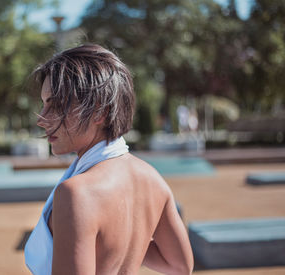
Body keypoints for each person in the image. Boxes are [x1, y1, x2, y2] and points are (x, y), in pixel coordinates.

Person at [24, 44, 193, 275]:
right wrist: (123, 239)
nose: (41, 119)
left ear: (100, 112)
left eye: (56, 104)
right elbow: (180, 266)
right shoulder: (153, 180)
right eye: (44, 104)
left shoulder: (77, 193)